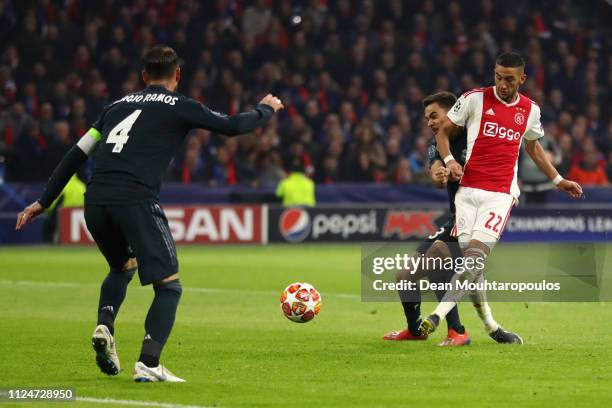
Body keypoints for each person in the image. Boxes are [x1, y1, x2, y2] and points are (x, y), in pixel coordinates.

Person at [15, 45, 284, 382]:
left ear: (144, 76)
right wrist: (266, 109)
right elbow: (232, 126)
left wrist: (44, 200)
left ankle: (106, 324)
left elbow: (75, 154)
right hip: (136, 200)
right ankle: (149, 363)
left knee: (122, 266)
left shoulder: (114, 107)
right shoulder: (181, 106)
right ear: (177, 75)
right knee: (169, 286)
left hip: (96, 200)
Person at [419, 52, 582, 338]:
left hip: (499, 194)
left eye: (509, 79)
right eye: (498, 77)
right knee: (473, 269)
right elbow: (442, 133)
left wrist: (558, 179)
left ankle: (436, 316)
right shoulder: (474, 99)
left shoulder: (530, 110)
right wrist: (449, 161)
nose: (502, 84)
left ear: (522, 79)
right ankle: (492, 327)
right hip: (467, 193)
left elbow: (533, 147)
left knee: (473, 261)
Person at [383, 92, 521, 346]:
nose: (430, 122)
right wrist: (439, 174)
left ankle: (457, 331)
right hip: (455, 221)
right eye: (426, 118)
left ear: (454, 112)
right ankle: (416, 330)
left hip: (476, 220)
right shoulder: (437, 144)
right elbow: (436, 170)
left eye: (434, 116)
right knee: (405, 275)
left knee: (438, 261)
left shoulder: (478, 136)